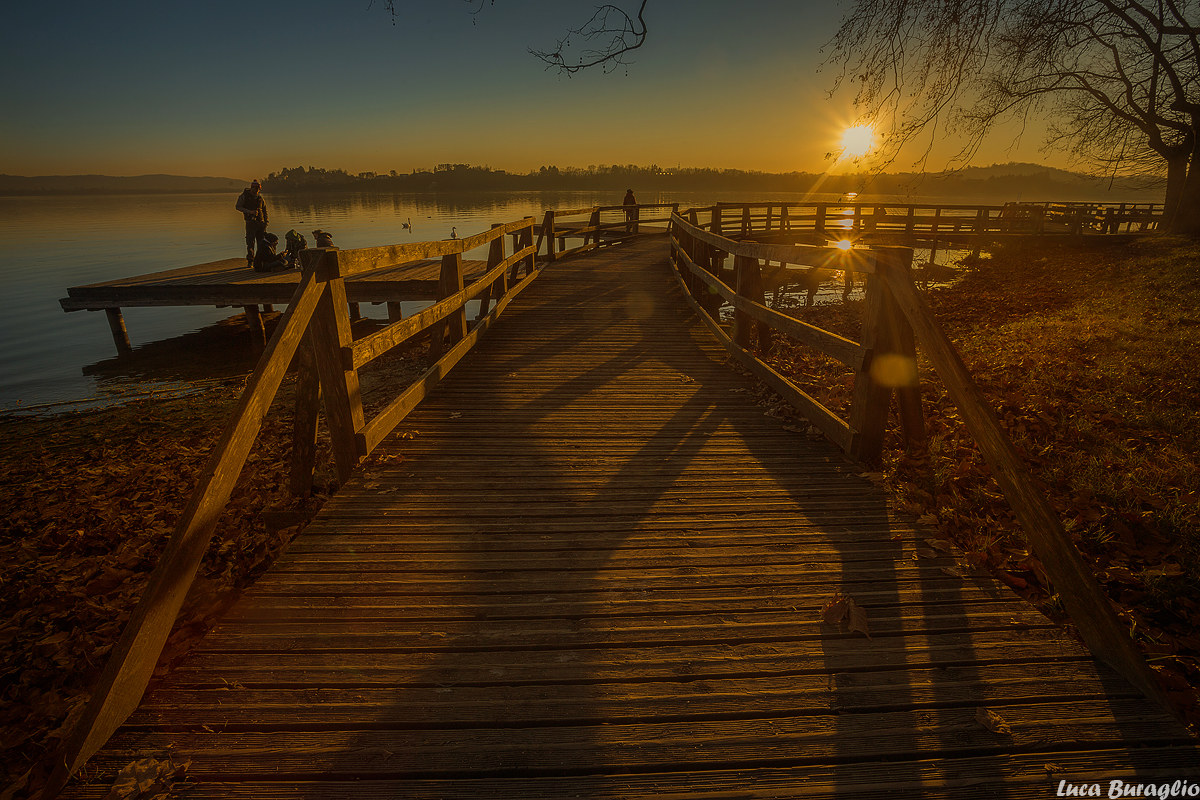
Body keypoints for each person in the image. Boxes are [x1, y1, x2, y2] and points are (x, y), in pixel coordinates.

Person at [235, 180, 269, 266]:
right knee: (250, 243)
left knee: (261, 243)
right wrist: (249, 212)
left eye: (258, 189)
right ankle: (250, 260)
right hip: (250, 223)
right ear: (251, 188)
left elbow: (265, 211)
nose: (256, 190)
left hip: (261, 224)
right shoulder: (244, 196)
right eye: (255, 188)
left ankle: (260, 261)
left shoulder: (260, 198)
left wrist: (266, 222)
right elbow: (238, 207)